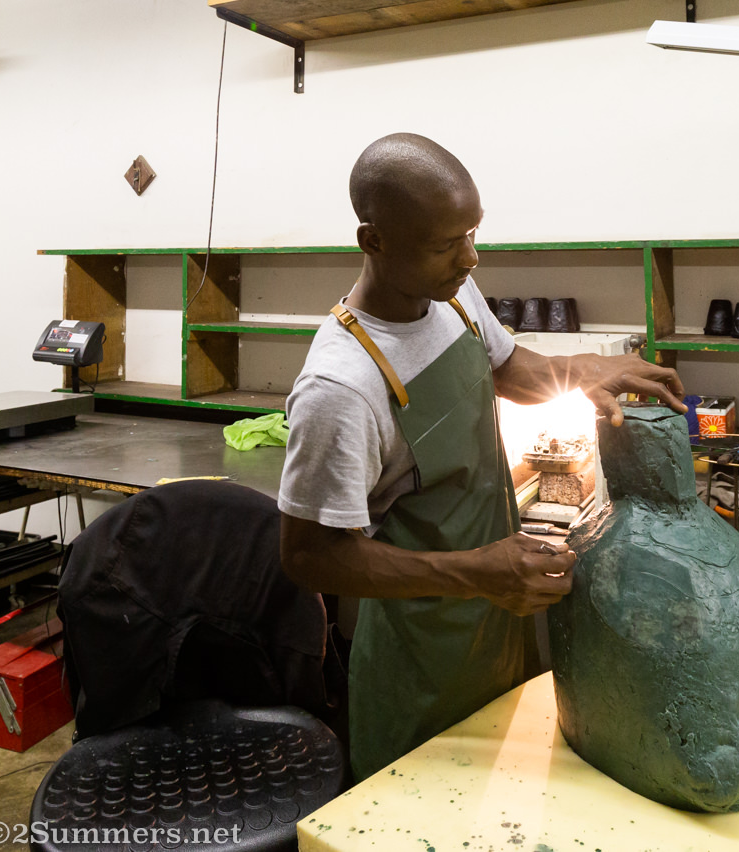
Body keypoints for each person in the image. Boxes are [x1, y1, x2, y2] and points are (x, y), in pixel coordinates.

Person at [278, 132, 686, 782]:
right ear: (373, 241)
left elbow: (506, 365)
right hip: (420, 640)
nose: (470, 258)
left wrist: (582, 371)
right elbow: (309, 555)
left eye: (472, 234)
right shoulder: (341, 386)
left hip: (497, 606)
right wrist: (475, 573)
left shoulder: (450, 293)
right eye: (447, 244)